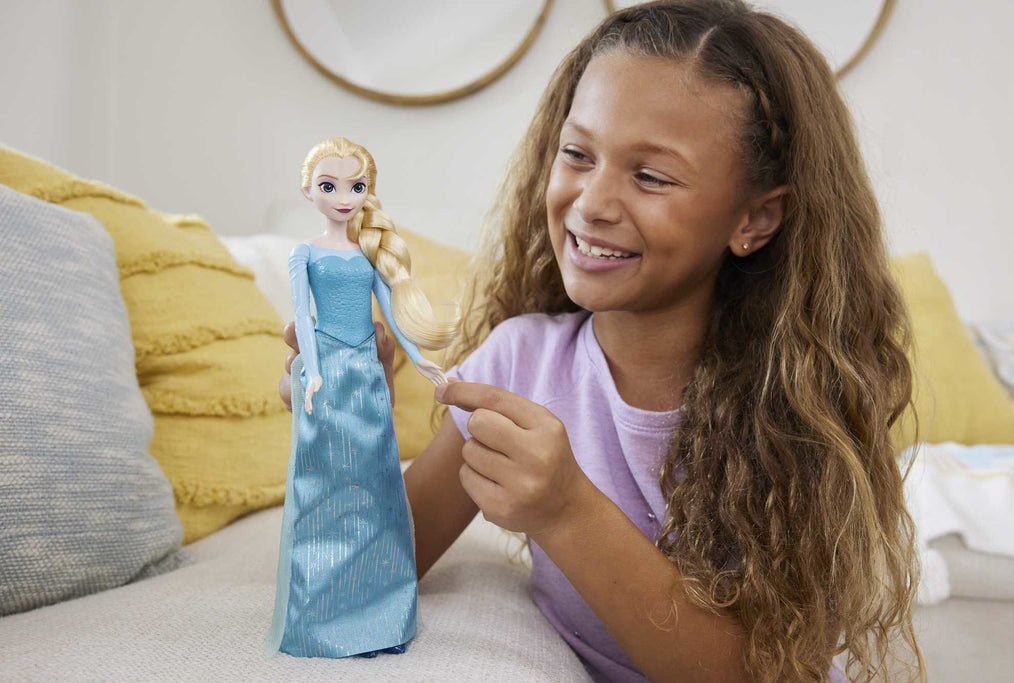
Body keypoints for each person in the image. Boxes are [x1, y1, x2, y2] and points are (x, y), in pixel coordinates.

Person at [280, 2, 924, 680]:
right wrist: (347, 430)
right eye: (578, 154)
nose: (591, 203)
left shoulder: (796, 410)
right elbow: (367, 576)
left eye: (651, 176)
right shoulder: (520, 363)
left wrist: (566, 510)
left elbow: (765, 672)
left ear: (755, 219)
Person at [267, 137, 454, 659]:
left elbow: (391, 313)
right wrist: (313, 371)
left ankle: (381, 618)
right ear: (309, 190)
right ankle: (318, 621)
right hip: (326, 370)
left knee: (376, 488)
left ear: (368, 191)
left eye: (356, 186)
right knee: (321, 491)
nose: (343, 197)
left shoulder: (367, 256)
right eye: (329, 186)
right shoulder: (304, 253)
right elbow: (301, 316)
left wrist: (418, 358)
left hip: (367, 372)